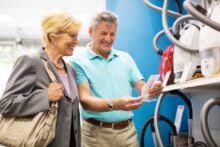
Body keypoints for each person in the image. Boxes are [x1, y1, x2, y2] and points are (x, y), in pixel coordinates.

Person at [70, 10, 163, 147]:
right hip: (95, 136)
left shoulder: (125, 58)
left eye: (112, 34)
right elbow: (85, 100)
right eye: (103, 33)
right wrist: (116, 104)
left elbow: (141, 86)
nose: (108, 39)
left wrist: (151, 90)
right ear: (91, 31)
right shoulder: (78, 62)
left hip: (127, 133)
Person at [0, 12, 81, 147]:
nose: (76, 41)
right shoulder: (31, 62)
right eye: (72, 36)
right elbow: (6, 104)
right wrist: (45, 96)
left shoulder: (70, 69)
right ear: (53, 37)